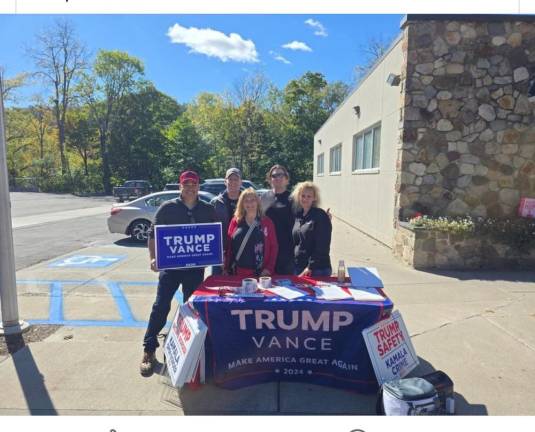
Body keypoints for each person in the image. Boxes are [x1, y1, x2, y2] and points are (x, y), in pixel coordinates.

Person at [140, 170, 217, 376]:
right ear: (180, 186)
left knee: (192, 309)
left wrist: (219, 254)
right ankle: (149, 349)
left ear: (198, 186)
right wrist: (153, 257)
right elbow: (153, 234)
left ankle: (189, 350)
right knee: (160, 306)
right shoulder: (167, 208)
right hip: (171, 269)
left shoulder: (208, 209)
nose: (190, 187)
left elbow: (214, 236)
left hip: (194, 269)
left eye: (194, 184)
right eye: (186, 184)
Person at [225, 188, 278, 277]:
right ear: (242, 204)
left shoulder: (266, 222)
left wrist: (269, 268)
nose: (250, 203)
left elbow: (274, 246)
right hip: (238, 271)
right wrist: (226, 267)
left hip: (260, 273)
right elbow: (229, 246)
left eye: (253, 200)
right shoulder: (235, 221)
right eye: (246, 201)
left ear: (257, 202)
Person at [290, 181, 332, 277]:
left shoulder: (320, 215)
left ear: (314, 198)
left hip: (317, 269)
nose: (305, 199)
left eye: (309, 196)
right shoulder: (298, 216)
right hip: (299, 267)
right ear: (298, 196)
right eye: (303, 195)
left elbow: (322, 246)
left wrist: (310, 267)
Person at [260, 164, 295, 275]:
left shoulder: (293, 198)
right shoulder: (264, 198)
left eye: (281, 175)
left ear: (286, 178)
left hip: (287, 249)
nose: (277, 178)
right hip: (267, 248)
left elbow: (304, 217)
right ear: (270, 179)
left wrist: (322, 218)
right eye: (274, 175)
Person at [210, 168, 242, 275]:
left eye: (236, 179)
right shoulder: (215, 202)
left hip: (243, 249)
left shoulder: (248, 200)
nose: (233, 182)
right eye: (230, 179)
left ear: (241, 181)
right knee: (218, 285)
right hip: (220, 252)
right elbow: (209, 228)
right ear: (225, 181)